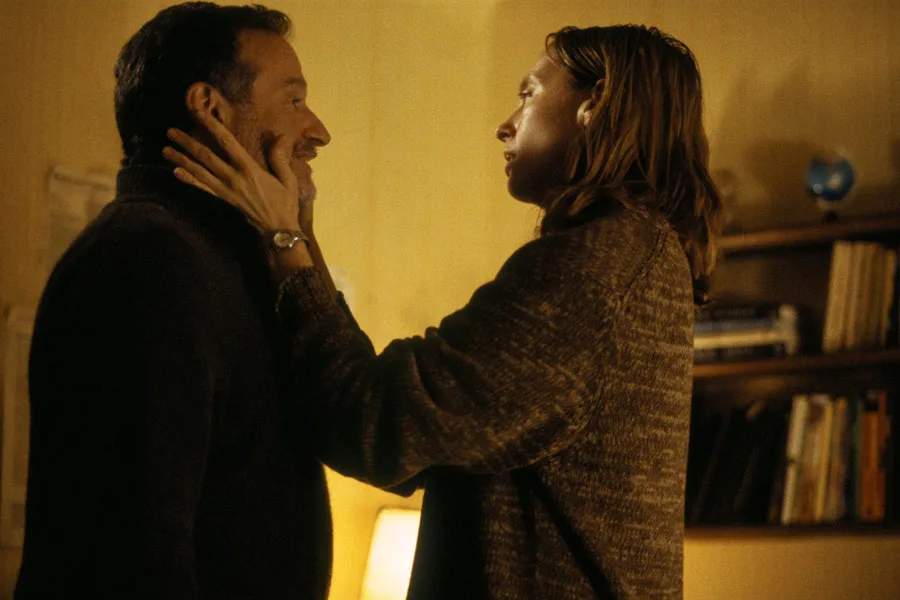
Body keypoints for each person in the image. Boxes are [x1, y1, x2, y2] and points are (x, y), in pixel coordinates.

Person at [166, 24, 724, 599]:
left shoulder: (596, 266)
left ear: (595, 104)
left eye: (528, 94)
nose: (505, 124)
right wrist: (299, 235)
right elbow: (427, 440)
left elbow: (374, 423)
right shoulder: (639, 254)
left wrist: (282, 238)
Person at [17, 3, 336, 599]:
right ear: (210, 108)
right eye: (294, 100)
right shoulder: (148, 259)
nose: (318, 131)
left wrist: (295, 231)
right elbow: (136, 547)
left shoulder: (214, 258)